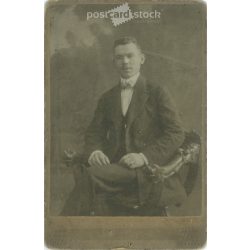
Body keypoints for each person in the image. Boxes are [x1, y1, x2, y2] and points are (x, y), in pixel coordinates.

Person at [62, 36, 187, 216]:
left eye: (130, 56)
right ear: (114, 61)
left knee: (89, 176)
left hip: (146, 172)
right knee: (85, 171)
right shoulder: (108, 97)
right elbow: (93, 133)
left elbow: (176, 133)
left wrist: (144, 157)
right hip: (115, 166)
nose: (125, 62)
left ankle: (65, 228)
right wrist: (95, 151)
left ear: (141, 59)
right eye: (119, 57)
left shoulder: (157, 92)